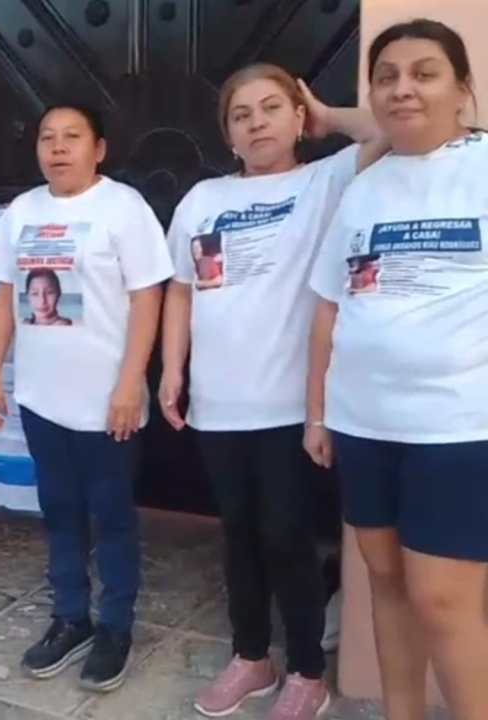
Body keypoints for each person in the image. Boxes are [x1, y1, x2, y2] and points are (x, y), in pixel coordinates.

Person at [160, 62, 387, 720]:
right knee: (239, 534)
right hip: (219, 403)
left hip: (292, 403)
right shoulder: (202, 199)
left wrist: (328, 113)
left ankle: (309, 671)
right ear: (227, 136)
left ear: (296, 120)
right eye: (241, 115)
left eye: (271, 108)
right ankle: (251, 657)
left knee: (287, 535)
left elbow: (394, 128)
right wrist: (172, 369)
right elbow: (181, 288)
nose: (257, 122)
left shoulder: (326, 180)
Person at [307, 19, 488, 720]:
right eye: (386, 77)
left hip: (459, 428)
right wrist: (319, 412)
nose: (403, 89)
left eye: (424, 72)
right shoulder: (365, 188)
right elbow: (328, 307)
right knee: (384, 583)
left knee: (444, 601)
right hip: (364, 423)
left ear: (463, 90)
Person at [0, 103, 172, 692]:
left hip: (106, 402)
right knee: (60, 514)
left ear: (99, 148)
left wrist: (128, 382)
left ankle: (115, 625)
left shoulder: (123, 207)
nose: (58, 149)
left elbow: (148, 296)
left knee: (112, 518)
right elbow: (5, 296)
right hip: (42, 400)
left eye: (72, 138)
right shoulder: (22, 211)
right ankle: (71, 618)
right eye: (47, 138)